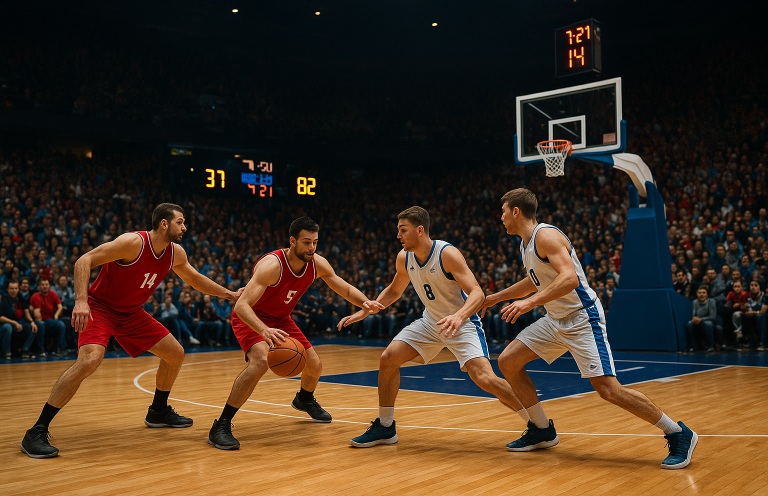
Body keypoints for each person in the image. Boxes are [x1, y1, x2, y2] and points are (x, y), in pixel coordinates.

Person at [484, 189, 697, 470]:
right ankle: (541, 429)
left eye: (503, 212)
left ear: (516, 212)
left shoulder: (546, 236)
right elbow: (536, 280)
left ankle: (679, 433)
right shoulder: (526, 243)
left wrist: (530, 303)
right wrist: (497, 297)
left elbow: (569, 278)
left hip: (582, 318)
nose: (500, 218)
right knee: (508, 361)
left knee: (608, 389)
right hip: (555, 319)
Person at [20, 203, 243, 459]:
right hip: (100, 307)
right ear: (164, 224)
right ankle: (36, 430)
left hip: (131, 313)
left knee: (175, 353)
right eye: (180, 222)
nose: (184, 227)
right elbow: (84, 260)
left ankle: (158, 411)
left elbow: (194, 279)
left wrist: (229, 294)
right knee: (90, 360)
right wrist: (81, 300)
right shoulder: (132, 243)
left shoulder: (174, 253)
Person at [339, 206, 526, 448]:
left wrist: (458, 317)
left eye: (402, 230)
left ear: (419, 230)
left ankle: (536, 423)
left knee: (485, 379)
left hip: (463, 322)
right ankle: (385, 427)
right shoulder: (403, 257)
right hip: (431, 323)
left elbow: (477, 293)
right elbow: (395, 290)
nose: (398, 236)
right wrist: (369, 308)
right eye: (398, 230)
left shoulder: (447, 253)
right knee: (388, 358)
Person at [207, 216, 382, 450]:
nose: (311, 248)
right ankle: (221, 424)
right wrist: (263, 330)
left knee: (314, 365)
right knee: (260, 362)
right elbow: (241, 306)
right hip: (252, 318)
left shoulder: (318, 263)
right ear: (292, 241)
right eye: (306, 242)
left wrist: (365, 303)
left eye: (315, 242)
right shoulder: (272, 266)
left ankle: (304, 399)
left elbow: (344, 286)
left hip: (281, 319)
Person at [29, 278, 67, 355]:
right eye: (42, 285)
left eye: (46, 284)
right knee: (40, 324)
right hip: (39, 321)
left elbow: (60, 307)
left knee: (61, 324)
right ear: (39, 286)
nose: (44, 286)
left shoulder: (53, 294)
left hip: (50, 321)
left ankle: (58, 349)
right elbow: (34, 312)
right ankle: (41, 350)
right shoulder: (35, 296)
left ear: (49, 286)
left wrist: (56, 315)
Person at [684, 286, 719, 352]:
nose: (701, 294)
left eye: (703, 293)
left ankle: (711, 345)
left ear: (707, 294)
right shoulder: (694, 302)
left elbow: (713, 316)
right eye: (700, 293)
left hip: (709, 321)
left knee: (707, 324)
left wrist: (701, 319)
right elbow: (693, 315)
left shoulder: (711, 301)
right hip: (698, 321)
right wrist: (694, 319)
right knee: (689, 324)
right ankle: (693, 346)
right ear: (697, 294)